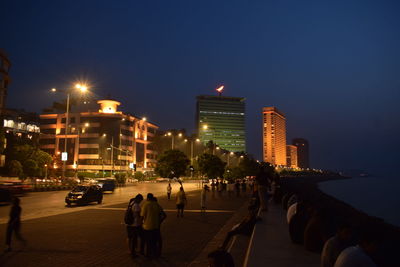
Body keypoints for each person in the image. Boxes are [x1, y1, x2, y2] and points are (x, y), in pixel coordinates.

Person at [140, 193, 164, 258]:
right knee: (154, 241)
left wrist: (140, 224)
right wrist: (159, 222)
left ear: (147, 198)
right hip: (155, 226)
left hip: (147, 226)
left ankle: (148, 255)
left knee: (148, 242)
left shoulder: (146, 205)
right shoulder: (156, 204)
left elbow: (142, 216)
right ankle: (155, 254)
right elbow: (163, 214)